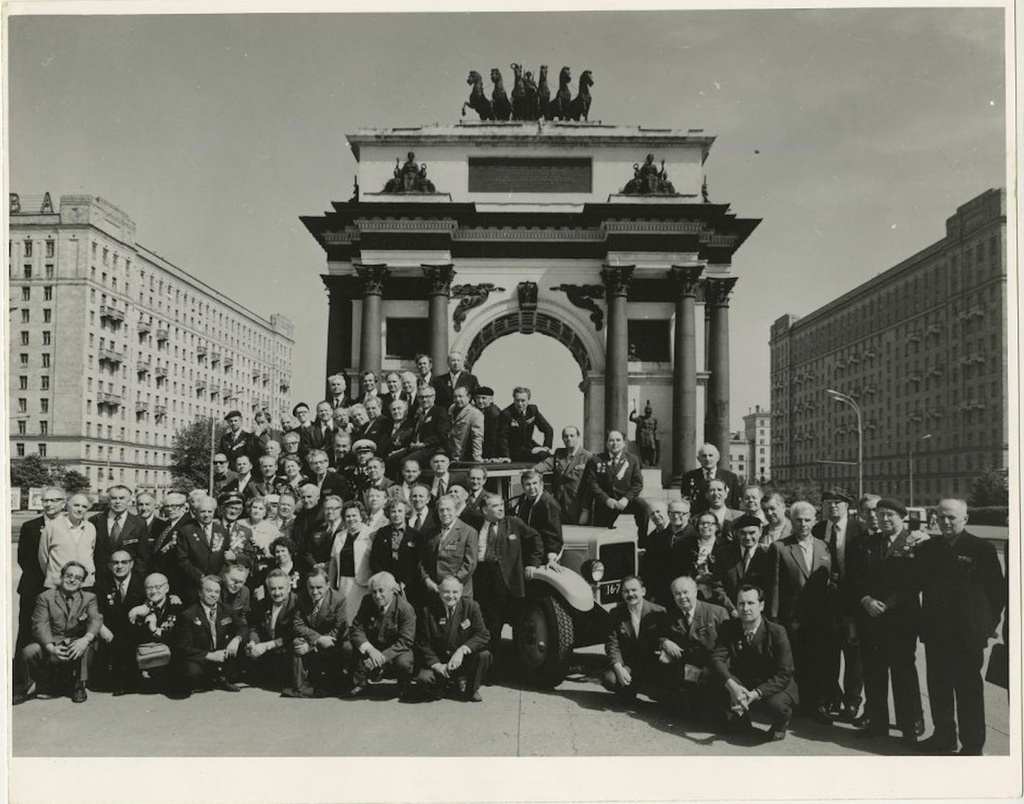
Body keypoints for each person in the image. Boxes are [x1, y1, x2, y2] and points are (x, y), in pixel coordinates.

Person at [915, 498, 1006, 755]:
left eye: (951, 517)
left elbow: (997, 593)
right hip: (936, 633)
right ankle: (943, 737)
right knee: (938, 688)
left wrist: (987, 626)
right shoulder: (928, 548)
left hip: (967, 635)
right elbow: (915, 583)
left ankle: (972, 745)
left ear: (965, 519)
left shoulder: (981, 549)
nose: (945, 522)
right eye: (941, 516)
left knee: (968, 691)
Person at [850, 496, 923, 748]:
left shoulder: (914, 542)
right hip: (871, 617)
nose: (884, 519)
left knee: (903, 673)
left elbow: (914, 582)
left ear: (901, 517)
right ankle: (878, 722)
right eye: (880, 515)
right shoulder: (868, 544)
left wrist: (888, 604)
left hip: (901, 620)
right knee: (874, 672)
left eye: (890, 515)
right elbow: (857, 578)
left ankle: (910, 725)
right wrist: (866, 599)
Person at [765, 500, 835, 722]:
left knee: (818, 662)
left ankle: (817, 705)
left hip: (819, 618)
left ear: (815, 521)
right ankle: (794, 704)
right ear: (791, 520)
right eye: (798, 520)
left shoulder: (825, 547)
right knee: (793, 662)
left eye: (807, 520)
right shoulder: (780, 547)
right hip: (790, 618)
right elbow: (773, 585)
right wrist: (775, 618)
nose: (803, 524)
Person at [709, 585, 799, 742]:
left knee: (777, 706)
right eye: (741, 604)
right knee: (717, 679)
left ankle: (780, 724)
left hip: (773, 685)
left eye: (751, 603)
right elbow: (716, 658)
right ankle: (740, 721)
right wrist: (733, 686)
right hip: (744, 682)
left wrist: (755, 694)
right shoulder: (729, 627)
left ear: (761, 605)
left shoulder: (777, 632)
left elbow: (784, 673)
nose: (745, 608)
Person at [813, 486, 869, 724]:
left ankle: (852, 700)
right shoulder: (817, 529)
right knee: (827, 652)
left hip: (852, 602)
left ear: (848, 506)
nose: (833, 506)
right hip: (825, 602)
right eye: (828, 502)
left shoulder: (860, 530)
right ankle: (831, 696)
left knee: (853, 653)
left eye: (838, 502)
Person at [15, 561, 102, 705]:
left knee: (88, 644)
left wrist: (85, 639)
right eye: (69, 576)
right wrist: (51, 647)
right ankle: (32, 685)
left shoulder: (89, 598)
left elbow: (95, 619)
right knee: (30, 651)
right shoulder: (46, 597)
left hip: (76, 643)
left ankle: (79, 685)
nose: (72, 580)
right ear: (61, 577)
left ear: (82, 582)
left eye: (77, 578)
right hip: (53, 642)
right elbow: (39, 624)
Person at [473, 493, 544, 662]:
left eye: (501, 504)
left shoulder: (513, 523)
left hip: (505, 580)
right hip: (481, 576)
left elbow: (536, 538)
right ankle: (483, 666)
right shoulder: (475, 525)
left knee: (497, 625)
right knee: (483, 623)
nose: (500, 508)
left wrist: (532, 563)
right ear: (484, 510)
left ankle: (494, 668)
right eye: (495, 506)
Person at [655, 575, 729, 714]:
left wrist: (716, 666)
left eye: (685, 592)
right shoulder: (670, 616)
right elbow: (661, 634)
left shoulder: (717, 612)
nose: (682, 597)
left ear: (695, 592)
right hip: (687, 666)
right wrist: (665, 642)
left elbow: (728, 644)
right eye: (677, 594)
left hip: (713, 666)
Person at [413, 576, 491, 702]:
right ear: (439, 591)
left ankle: (471, 689)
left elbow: (483, 634)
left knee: (484, 655)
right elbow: (423, 643)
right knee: (424, 679)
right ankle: (443, 686)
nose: (450, 596)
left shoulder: (471, 607)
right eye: (446, 592)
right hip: (440, 662)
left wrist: (462, 650)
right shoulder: (428, 610)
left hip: (462, 662)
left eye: (455, 592)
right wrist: (437, 665)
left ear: (461, 592)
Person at [171, 575, 247, 697]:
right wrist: (209, 655)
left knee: (243, 643)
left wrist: (236, 640)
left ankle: (222, 678)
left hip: (221, 655)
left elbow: (243, 628)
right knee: (192, 672)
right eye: (209, 591)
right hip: (201, 657)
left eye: (217, 592)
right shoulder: (188, 615)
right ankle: (206, 681)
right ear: (200, 593)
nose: (213, 595)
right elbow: (184, 647)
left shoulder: (226, 609)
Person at [345, 572, 417, 698]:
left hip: (395, 650)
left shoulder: (405, 609)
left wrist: (381, 657)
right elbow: (356, 628)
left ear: (392, 591)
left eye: (381, 591)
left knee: (404, 662)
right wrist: (371, 650)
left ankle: (403, 685)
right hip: (373, 647)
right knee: (348, 646)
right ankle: (361, 683)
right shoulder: (367, 601)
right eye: (373, 591)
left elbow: (406, 641)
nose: (377, 596)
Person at [16, 488, 65, 663]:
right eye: (45, 501)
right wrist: (45, 579)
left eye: (54, 500)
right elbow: (24, 559)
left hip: (62, 588)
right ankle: (22, 676)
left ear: (63, 503)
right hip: (34, 587)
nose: (49, 504)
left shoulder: (69, 525)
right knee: (28, 630)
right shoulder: (30, 527)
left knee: (57, 630)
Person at [287, 565, 349, 698]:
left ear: (328, 585)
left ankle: (334, 682)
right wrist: (317, 639)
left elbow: (338, 629)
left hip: (332, 641)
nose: (314, 592)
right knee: (297, 642)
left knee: (344, 647)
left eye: (319, 587)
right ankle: (300, 685)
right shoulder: (300, 597)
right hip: (314, 638)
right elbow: (297, 625)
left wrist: (313, 646)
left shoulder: (339, 600)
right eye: (311, 587)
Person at [602, 575, 666, 701]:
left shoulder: (659, 612)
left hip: (651, 662)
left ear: (643, 591)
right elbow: (612, 644)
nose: (630, 594)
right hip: (629, 663)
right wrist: (618, 668)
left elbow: (664, 638)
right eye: (626, 591)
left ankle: (650, 687)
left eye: (634, 590)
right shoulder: (615, 614)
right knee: (610, 679)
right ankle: (630, 688)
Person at [94, 550, 147, 695]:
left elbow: (154, 600)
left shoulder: (142, 581)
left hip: (135, 630)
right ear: (109, 565)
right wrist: (101, 627)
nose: (119, 566)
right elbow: (94, 610)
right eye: (115, 563)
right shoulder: (101, 584)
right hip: (110, 631)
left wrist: (144, 608)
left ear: (131, 564)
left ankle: (129, 681)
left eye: (124, 562)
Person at [127, 572, 183, 693]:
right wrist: (135, 613)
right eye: (149, 588)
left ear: (167, 588)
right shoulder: (140, 606)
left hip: (168, 655)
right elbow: (132, 637)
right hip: (146, 654)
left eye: (158, 587)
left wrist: (154, 629)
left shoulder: (176, 606)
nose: (153, 591)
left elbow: (178, 638)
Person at [583, 430, 647, 534]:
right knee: (600, 533)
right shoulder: (596, 459)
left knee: (642, 506)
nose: (615, 443)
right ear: (606, 443)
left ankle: (643, 541)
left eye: (618, 440)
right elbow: (592, 483)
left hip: (625, 500)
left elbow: (638, 484)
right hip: (606, 502)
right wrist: (606, 499)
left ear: (623, 443)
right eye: (611, 440)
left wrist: (626, 499)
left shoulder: (632, 459)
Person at [245, 568, 298, 690]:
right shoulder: (262, 604)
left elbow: (293, 634)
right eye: (272, 589)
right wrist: (253, 642)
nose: (277, 592)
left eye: (281, 588)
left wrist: (266, 646)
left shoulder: (296, 604)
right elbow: (254, 627)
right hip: (269, 653)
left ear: (288, 588)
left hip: (287, 651)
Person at [710, 514, 771, 617]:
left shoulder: (768, 555)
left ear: (760, 531)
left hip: (759, 614)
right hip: (729, 613)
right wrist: (732, 609)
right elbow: (717, 586)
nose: (747, 537)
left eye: (752, 533)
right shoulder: (723, 554)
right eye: (742, 533)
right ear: (736, 533)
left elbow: (771, 588)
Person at [420, 495, 479, 598]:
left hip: (458, 592)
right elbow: (423, 561)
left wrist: (450, 585)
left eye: (448, 509)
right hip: (435, 591)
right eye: (441, 510)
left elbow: (470, 564)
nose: (445, 513)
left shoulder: (468, 532)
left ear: (456, 511)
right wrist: (427, 580)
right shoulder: (430, 533)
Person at [531, 425, 593, 524]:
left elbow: (590, 488)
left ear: (578, 437)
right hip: (559, 507)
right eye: (566, 436)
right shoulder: (559, 453)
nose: (568, 439)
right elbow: (547, 463)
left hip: (578, 508)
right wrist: (533, 470)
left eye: (572, 436)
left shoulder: (588, 457)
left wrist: (586, 510)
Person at [369, 498, 424, 605]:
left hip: (408, 587)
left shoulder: (416, 535)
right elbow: (374, 560)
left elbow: (417, 562)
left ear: (406, 513)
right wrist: (388, 582)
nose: (396, 514)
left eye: (400, 511)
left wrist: (404, 583)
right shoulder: (381, 533)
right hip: (385, 586)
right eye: (393, 511)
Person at [175, 495, 230, 601]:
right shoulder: (186, 531)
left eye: (210, 511)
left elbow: (225, 557)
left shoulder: (222, 531)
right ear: (195, 512)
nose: (206, 515)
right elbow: (182, 560)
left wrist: (218, 578)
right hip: (194, 585)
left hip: (217, 584)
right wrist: (201, 577)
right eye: (203, 511)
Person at [639, 499, 693, 607]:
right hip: (663, 592)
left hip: (685, 592)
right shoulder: (660, 536)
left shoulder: (693, 536)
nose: (676, 516)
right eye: (672, 513)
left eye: (680, 513)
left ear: (688, 515)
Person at [38, 492, 97, 590]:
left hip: (85, 585)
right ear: (67, 506)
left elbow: (92, 553)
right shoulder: (52, 526)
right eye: (76, 505)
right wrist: (54, 574)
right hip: (58, 584)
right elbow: (43, 557)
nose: (80, 509)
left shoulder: (91, 528)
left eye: (84, 507)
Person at [327, 499, 375, 618]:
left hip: (363, 584)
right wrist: (330, 585)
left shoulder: (371, 534)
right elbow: (333, 563)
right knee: (344, 617)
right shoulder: (339, 536)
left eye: (354, 515)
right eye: (347, 516)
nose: (351, 519)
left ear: (361, 516)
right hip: (343, 584)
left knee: (361, 618)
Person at [93, 484, 149, 582]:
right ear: (108, 500)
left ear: (129, 500)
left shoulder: (139, 523)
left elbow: (142, 557)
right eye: (114, 498)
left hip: (128, 578)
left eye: (122, 498)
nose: (118, 501)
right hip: (101, 577)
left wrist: (135, 579)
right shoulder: (95, 521)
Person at [514, 469, 563, 569]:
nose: (531, 488)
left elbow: (553, 534)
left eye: (535, 483)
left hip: (542, 557)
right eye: (527, 484)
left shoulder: (548, 504)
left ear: (541, 484)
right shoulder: (524, 499)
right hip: (528, 551)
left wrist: (551, 558)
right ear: (523, 487)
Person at [148, 492, 191, 593]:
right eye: (167, 506)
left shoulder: (188, 525)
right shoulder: (165, 524)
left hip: (177, 585)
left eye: (174, 506)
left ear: (184, 507)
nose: (170, 509)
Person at [679, 443, 740, 514]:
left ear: (718, 458)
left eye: (710, 455)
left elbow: (735, 504)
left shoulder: (730, 477)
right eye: (704, 456)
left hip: (724, 519)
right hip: (698, 517)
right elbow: (686, 502)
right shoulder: (689, 477)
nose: (707, 459)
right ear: (699, 459)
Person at [496, 386, 554, 461]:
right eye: (517, 400)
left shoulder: (533, 410)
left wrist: (546, 447)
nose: (520, 404)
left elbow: (548, 429)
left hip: (530, 445)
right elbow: (502, 437)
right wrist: (505, 456)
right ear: (513, 399)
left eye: (523, 400)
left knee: (550, 456)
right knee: (541, 456)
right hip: (514, 450)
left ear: (528, 400)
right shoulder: (506, 414)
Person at [405, 385, 452, 467]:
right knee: (392, 458)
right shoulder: (419, 414)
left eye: (427, 396)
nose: (424, 400)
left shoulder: (439, 411)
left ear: (434, 397)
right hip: (417, 447)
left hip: (433, 448)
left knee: (406, 463)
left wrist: (424, 444)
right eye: (421, 397)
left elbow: (443, 435)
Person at [447, 385, 484, 462]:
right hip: (450, 454)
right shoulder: (451, 409)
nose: (457, 399)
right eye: (455, 397)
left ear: (469, 397)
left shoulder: (475, 413)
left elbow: (477, 437)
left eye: (460, 396)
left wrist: (477, 456)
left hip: (464, 456)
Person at [381, 399, 416, 475]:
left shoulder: (411, 426)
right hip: (386, 465)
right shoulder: (387, 426)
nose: (396, 411)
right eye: (393, 409)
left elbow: (410, 446)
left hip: (401, 466)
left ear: (406, 410)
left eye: (399, 408)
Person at [473, 386, 503, 460]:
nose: (480, 401)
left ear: (491, 400)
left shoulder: (494, 413)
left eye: (483, 398)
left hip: (490, 451)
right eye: (478, 398)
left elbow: (493, 437)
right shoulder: (474, 410)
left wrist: (490, 456)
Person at [629, 401, 659, 467]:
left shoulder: (654, 420)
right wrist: (632, 412)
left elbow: (655, 430)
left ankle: (652, 462)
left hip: (650, 435)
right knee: (643, 449)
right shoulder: (641, 418)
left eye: (650, 412)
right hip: (643, 435)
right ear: (645, 412)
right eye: (647, 412)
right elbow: (631, 419)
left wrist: (656, 437)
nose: (649, 413)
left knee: (652, 448)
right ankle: (643, 462)